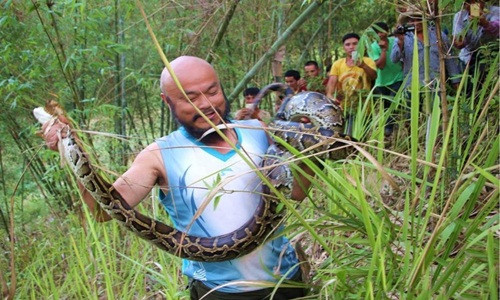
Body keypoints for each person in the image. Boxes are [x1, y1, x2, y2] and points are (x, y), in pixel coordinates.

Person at [41, 56, 313, 299]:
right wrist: (71, 149)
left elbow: (298, 193)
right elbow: (103, 210)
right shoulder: (160, 154)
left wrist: (313, 148)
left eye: (212, 91)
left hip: (287, 282)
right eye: (190, 97)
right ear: (167, 101)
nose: (206, 104)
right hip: (217, 293)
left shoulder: (259, 130)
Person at [391, 10, 461, 106]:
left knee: (436, 112)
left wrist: (455, 80)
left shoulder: (438, 35)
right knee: (412, 116)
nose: (416, 23)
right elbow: (394, 59)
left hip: (435, 82)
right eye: (412, 20)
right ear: (408, 22)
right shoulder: (404, 37)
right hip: (413, 84)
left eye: (419, 19)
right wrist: (400, 41)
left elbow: (449, 58)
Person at [326, 32, 377, 135]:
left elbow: (374, 77)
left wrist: (363, 66)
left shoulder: (368, 61)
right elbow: (331, 82)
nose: (351, 47)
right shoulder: (337, 64)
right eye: (348, 44)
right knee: (346, 136)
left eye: (355, 44)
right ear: (344, 47)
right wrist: (330, 95)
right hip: (343, 107)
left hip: (363, 108)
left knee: (361, 136)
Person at [452, 0, 499, 92]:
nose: (473, 5)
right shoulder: (460, 16)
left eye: (476, 1)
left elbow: (498, 29)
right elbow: (459, 40)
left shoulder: (495, 12)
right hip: (467, 58)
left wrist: (485, 24)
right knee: (467, 88)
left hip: (489, 57)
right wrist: (459, 42)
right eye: (468, 2)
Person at [368, 22, 404, 137]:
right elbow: (380, 65)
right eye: (377, 32)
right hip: (382, 82)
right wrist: (383, 50)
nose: (381, 34)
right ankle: (389, 130)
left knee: (395, 103)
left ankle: (389, 129)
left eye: (382, 31)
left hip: (398, 77)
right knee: (386, 106)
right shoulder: (373, 47)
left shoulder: (395, 41)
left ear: (387, 31)